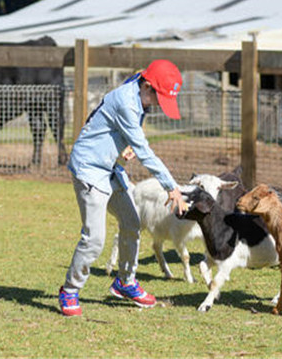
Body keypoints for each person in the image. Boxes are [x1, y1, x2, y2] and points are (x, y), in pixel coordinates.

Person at [58, 60, 189, 317]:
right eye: (158, 98)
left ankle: (125, 282)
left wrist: (120, 144)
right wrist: (171, 187)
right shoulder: (128, 102)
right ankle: (70, 290)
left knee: (131, 223)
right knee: (94, 239)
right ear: (147, 86)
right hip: (90, 170)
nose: (159, 105)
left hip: (110, 167)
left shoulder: (138, 86)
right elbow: (145, 152)